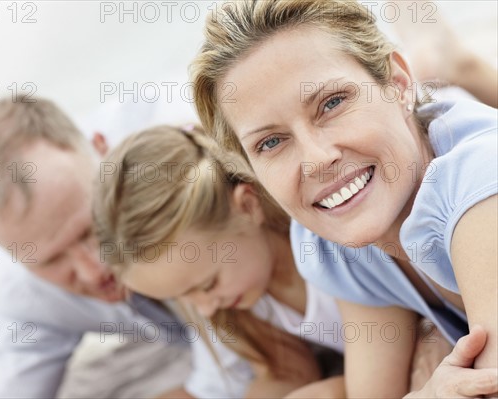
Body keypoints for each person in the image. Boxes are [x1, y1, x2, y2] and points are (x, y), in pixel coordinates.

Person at [189, 0, 497, 397]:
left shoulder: (478, 183)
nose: (317, 160)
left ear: (398, 83)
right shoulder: (333, 241)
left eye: (332, 103)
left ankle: (447, 59)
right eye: (271, 142)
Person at [93, 124, 451, 398]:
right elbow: (285, 372)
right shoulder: (247, 299)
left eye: (207, 285)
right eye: (182, 298)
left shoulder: (336, 244)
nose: (203, 309)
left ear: (247, 207)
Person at [0, 97, 254, 398]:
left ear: (102, 150)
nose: (95, 269)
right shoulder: (20, 285)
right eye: (52, 260)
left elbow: (240, 374)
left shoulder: (194, 142)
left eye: (91, 228)